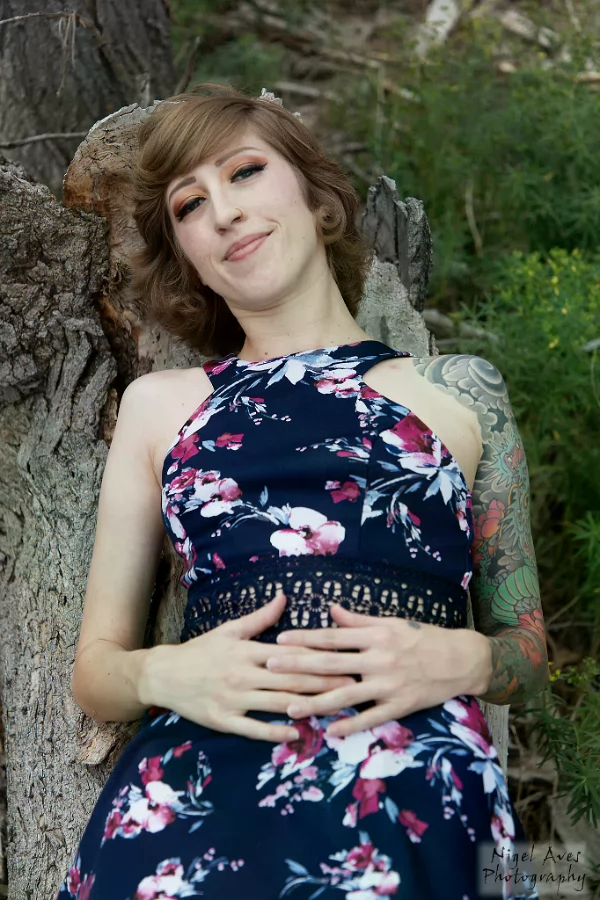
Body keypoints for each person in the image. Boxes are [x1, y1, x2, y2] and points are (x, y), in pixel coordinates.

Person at [55, 83, 548, 900]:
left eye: (245, 171)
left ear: (319, 200)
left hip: (412, 794)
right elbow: (95, 670)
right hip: (195, 800)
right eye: (190, 205)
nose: (224, 212)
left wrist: (465, 658)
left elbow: (527, 647)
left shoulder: (463, 392)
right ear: (188, 258)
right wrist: (163, 676)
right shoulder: (161, 407)